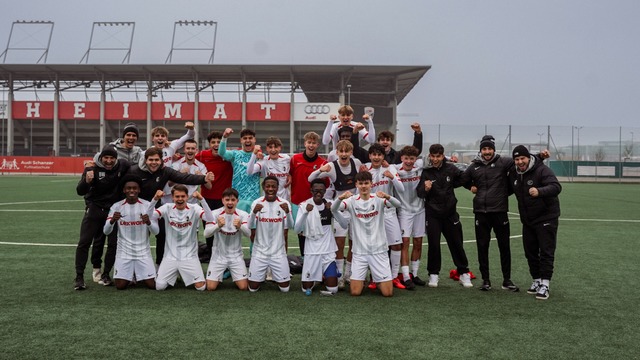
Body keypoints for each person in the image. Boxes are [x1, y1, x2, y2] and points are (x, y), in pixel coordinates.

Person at [126, 147, 215, 265]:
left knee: (162, 234)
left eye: (156, 160)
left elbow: (184, 177)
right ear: (145, 160)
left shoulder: (165, 171)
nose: (154, 163)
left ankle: (160, 265)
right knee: (140, 238)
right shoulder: (134, 170)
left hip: (155, 206)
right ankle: (135, 268)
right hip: (137, 208)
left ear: (161, 160)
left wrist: (203, 178)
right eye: (151, 160)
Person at [461, 135, 521, 292]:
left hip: (500, 211)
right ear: (480, 150)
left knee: (504, 246)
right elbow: (462, 179)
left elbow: (522, 159)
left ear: (494, 149)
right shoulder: (474, 166)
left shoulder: (504, 162)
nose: (487, 152)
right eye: (484, 149)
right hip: (481, 212)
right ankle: (485, 280)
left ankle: (506, 280)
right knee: (482, 246)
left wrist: (541, 156)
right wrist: (470, 187)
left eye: (489, 149)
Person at [331, 171, 401, 297]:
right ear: (356, 184)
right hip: (360, 252)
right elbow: (333, 209)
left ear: (371, 184)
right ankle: (363, 280)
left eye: (366, 183)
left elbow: (398, 204)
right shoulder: (352, 201)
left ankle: (378, 280)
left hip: (379, 251)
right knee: (355, 292)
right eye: (361, 183)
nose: (364, 186)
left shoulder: (378, 199)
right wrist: (340, 198)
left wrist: (387, 196)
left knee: (388, 293)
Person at [74, 145, 130, 290]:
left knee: (113, 244)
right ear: (100, 158)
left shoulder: (122, 165)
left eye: (112, 158)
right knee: (84, 242)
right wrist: (86, 181)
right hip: (95, 209)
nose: (109, 161)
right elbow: (80, 191)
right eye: (106, 157)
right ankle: (79, 277)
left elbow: (139, 165)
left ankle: (106, 274)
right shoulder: (91, 169)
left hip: (112, 211)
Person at [509, 145, 562, 300]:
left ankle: (545, 284)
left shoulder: (542, 170)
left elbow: (556, 186)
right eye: (517, 159)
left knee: (546, 251)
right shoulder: (515, 173)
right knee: (530, 252)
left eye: (522, 158)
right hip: (528, 220)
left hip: (546, 218)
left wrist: (540, 191)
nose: (520, 162)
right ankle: (536, 280)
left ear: (528, 158)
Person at [308, 139, 363, 289]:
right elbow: (310, 179)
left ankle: (349, 274)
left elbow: (364, 178)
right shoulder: (332, 166)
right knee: (339, 243)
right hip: (340, 209)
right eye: (341, 151)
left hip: (355, 208)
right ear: (337, 153)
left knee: (354, 243)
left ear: (351, 153)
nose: (344, 154)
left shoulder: (357, 163)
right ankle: (339, 275)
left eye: (347, 151)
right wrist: (320, 170)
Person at [416, 144, 472, 288]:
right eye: (432, 156)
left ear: (442, 156)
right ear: (429, 156)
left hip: (450, 213)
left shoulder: (451, 169)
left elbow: (463, 180)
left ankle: (463, 273)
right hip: (433, 214)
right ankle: (433, 275)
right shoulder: (426, 172)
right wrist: (425, 188)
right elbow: (419, 193)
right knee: (434, 245)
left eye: (438, 156)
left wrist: (471, 186)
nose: (435, 159)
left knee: (456, 243)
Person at [150, 185, 213, 291]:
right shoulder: (167, 207)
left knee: (201, 287)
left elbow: (210, 218)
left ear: (187, 197)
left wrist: (202, 199)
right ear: (172, 198)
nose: (180, 199)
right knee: (159, 287)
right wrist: (154, 200)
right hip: (170, 256)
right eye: (177, 196)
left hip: (189, 256)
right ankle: (174, 273)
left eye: (183, 196)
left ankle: (181, 272)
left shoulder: (194, 208)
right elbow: (150, 217)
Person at [103, 175, 159, 290]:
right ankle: (132, 274)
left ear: (139, 190)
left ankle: (135, 274)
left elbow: (156, 231)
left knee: (152, 285)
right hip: (124, 252)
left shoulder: (147, 205)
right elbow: (106, 231)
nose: (131, 190)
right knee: (120, 286)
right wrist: (112, 220)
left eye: (134, 188)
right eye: (128, 188)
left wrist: (148, 222)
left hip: (143, 252)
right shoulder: (117, 206)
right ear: (124, 190)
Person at [362, 143, 405, 290]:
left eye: (379, 154)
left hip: (389, 212)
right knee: (374, 246)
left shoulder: (390, 168)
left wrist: (392, 177)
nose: (376, 157)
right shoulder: (364, 168)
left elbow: (401, 188)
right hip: (372, 214)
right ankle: (375, 278)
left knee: (396, 245)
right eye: (373, 154)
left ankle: (393, 277)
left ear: (383, 156)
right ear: (370, 156)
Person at [248, 176, 294, 292]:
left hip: (278, 253)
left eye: (273, 186)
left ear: (277, 188)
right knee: (253, 288)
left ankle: (273, 272)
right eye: (268, 186)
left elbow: (291, 225)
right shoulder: (256, 203)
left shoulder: (284, 203)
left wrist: (287, 213)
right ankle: (260, 274)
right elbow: (249, 225)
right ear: (263, 187)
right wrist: (254, 213)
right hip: (260, 252)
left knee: (285, 289)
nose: (270, 189)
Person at [294, 179, 339, 296]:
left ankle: (326, 274)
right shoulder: (304, 205)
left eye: (321, 190)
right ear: (311, 190)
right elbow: (297, 229)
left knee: (333, 289)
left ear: (325, 191)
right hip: (311, 251)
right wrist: (305, 213)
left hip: (328, 251)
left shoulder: (330, 203)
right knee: (305, 289)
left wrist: (334, 212)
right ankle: (314, 279)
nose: (318, 193)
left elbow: (344, 224)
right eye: (315, 190)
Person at [393, 145, 427, 290]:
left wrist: (451, 158)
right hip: (404, 211)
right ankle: (406, 277)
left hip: (420, 209)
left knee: (418, 241)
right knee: (405, 242)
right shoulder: (395, 169)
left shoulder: (419, 166)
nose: (408, 161)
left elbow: (434, 159)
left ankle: (414, 273)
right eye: (406, 158)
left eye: (411, 159)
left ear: (415, 159)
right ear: (402, 158)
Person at [204, 188, 251, 291]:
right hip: (218, 256)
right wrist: (218, 226)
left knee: (243, 287)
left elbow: (249, 234)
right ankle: (218, 276)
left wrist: (240, 227)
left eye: (233, 200)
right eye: (227, 199)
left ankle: (235, 275)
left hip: (236, 256)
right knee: (210, 287)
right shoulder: (214, 214)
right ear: (223, 200)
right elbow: (206, 234)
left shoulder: (243, 215)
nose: (230, 202)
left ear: (237, 201)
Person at [289, 131, 328, 258]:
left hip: (315, 204)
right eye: (309, 142)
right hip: (297, 202)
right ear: (305, 143)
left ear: (317, 145)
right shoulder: (295, 159)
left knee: (317, 231)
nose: (311, 145)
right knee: (301, 232)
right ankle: (305, 259)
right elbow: (289, 175)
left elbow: (326, 184)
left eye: (314, 143)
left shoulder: (323, 162)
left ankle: (318, 258)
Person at [195, 130, 233, 254]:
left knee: (225, 227)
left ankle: (226, 253)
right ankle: (211, 253)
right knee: (209, 227)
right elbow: (188, 157)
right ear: (209, 144)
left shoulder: (229, 156)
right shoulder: (202, 155)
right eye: (213, 142)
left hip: (224, 199)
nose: (216, 144)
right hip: (207, 198)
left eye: (218, 141)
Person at [218, 128, 261, 213]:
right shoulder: (235, 154)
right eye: (245, 138)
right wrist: (224, 137)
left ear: (254, 140)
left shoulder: (260, 156)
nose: (247, 140)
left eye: (250, 138)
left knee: (253, 226)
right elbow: (221, 153)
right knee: (238, 225)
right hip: (238, 199)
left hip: (255, 198)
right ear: (241, 140)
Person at [247, 136, 291, 201]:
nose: (273, 150)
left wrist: (290, 175)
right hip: (268, 200)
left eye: (275, 147)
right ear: (267, 149)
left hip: (284, 200)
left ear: (280, 148)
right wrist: (254, 154)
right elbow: (249, 172)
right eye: (270, 147)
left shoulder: (286, 158)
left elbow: (293, 169)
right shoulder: (263, 161)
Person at [170, 139, 210, 204]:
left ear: (196, 150)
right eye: (188, 148)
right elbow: (169, 184)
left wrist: (202, 177)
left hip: (194, 203)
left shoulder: (201, 166)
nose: (190, 150)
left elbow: (209, 186)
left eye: (192, 148)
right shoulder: (176, 164)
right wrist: (179, 174)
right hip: (178, 201)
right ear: (184, 150)